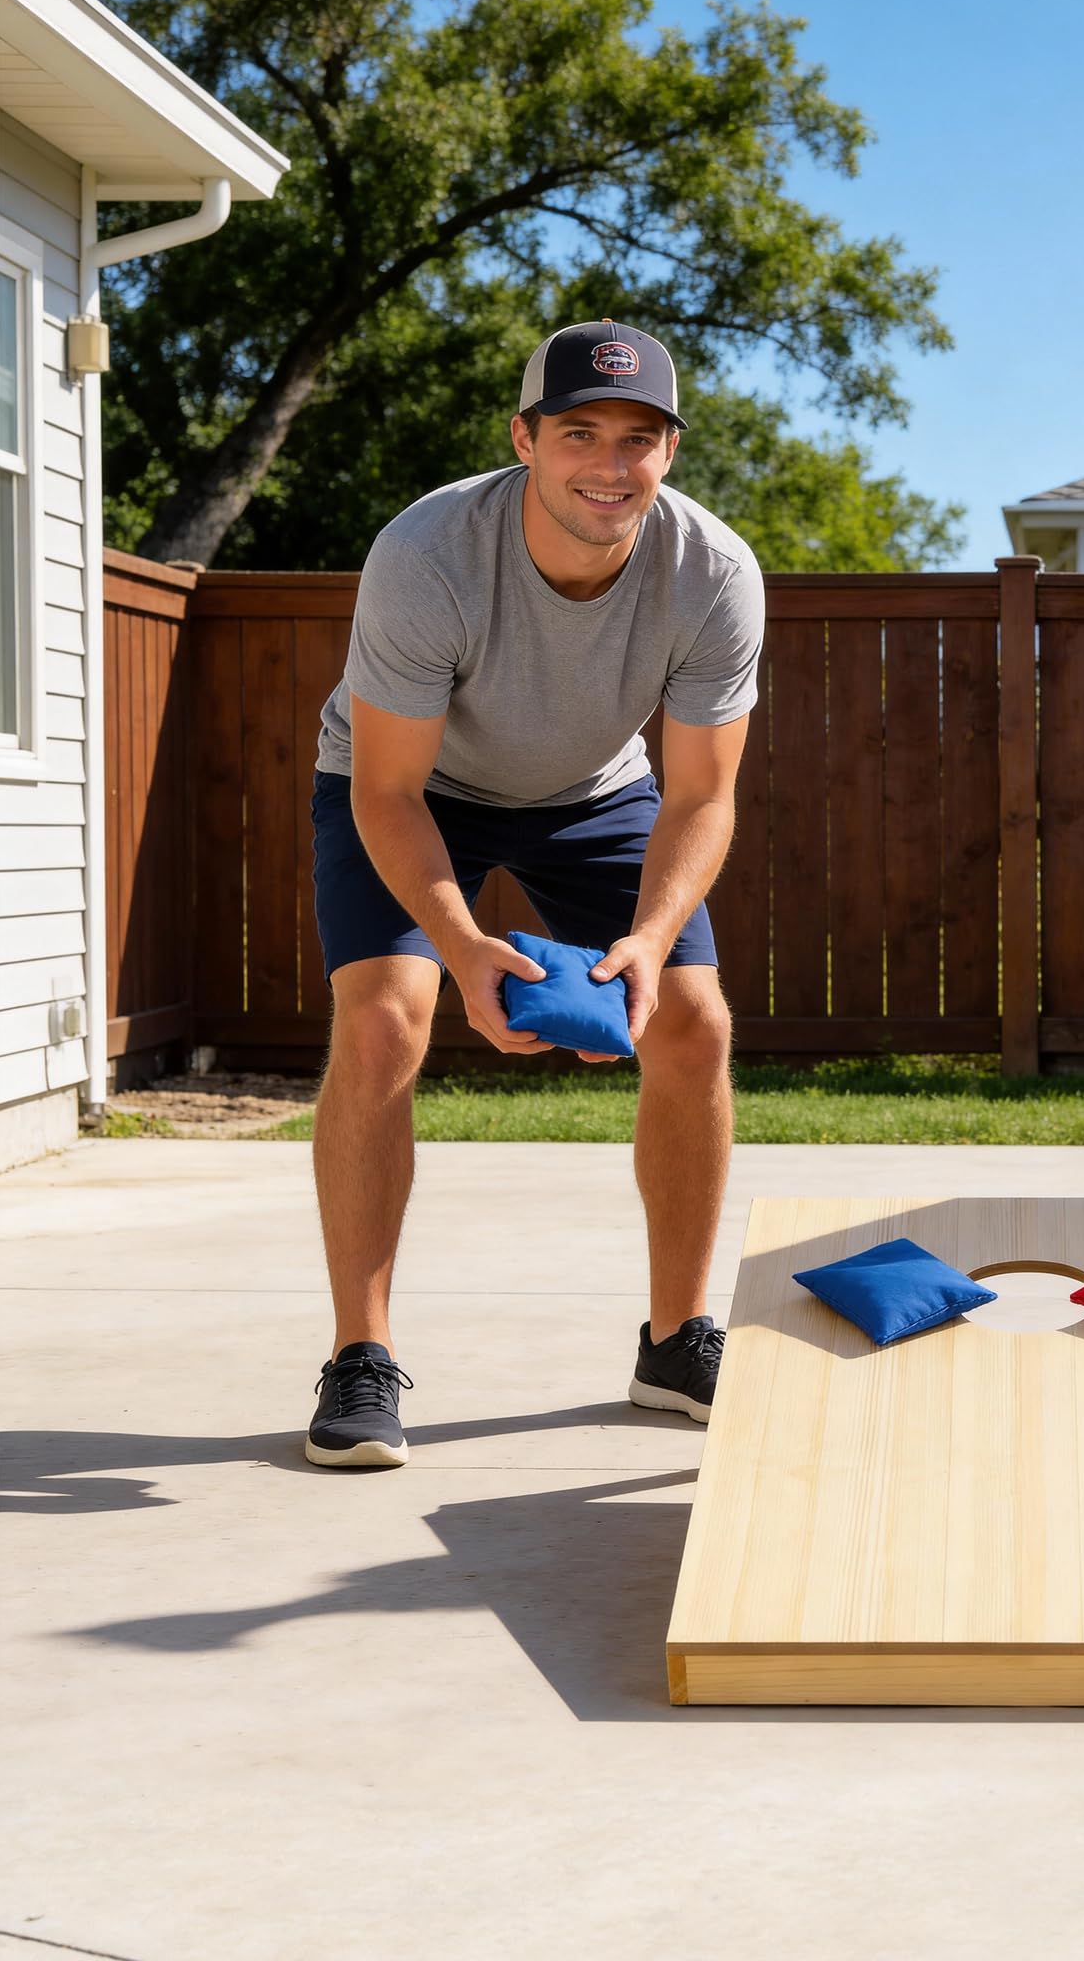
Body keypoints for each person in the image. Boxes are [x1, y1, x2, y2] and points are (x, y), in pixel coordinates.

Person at [302, 318, 763, 1466]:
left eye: (639, 437)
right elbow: (392, 787)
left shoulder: (712, 572)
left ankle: (674, 1338)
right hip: (411, 785)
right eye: (579, 432)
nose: (610, 462)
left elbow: (703, 797)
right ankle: (360, 1355)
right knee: (382, 1020)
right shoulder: (428, 554)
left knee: (694, 1022)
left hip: (594, 789)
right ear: (524, 439)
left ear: (670, 452)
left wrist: (652, 938)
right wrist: (461, 947)